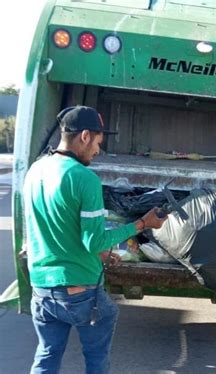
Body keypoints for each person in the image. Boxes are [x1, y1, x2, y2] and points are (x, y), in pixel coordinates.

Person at [23, 106, 167, 374]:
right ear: (85, 136)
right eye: (98, 143)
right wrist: (142, 223)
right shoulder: (83, 177)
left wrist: (101, 255)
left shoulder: (36, 170)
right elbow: (94, 241)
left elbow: (55, 228)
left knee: (46, 356)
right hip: (78, 291)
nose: (98, 151)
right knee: (96, 358)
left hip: (42, 288)